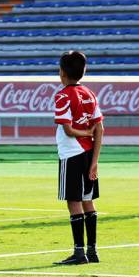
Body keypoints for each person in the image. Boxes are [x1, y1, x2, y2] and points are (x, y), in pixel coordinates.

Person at [53, 51, 104, 265]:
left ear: (62, 72)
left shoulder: (62, 95)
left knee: (73, 202)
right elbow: (100, 128)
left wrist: (83, 133)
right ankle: (92, 251)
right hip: (88, 154)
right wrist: (95, 161)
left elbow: (68, 130)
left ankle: (78, 252)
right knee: (87, 201)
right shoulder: (90, 94)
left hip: (71, 153)